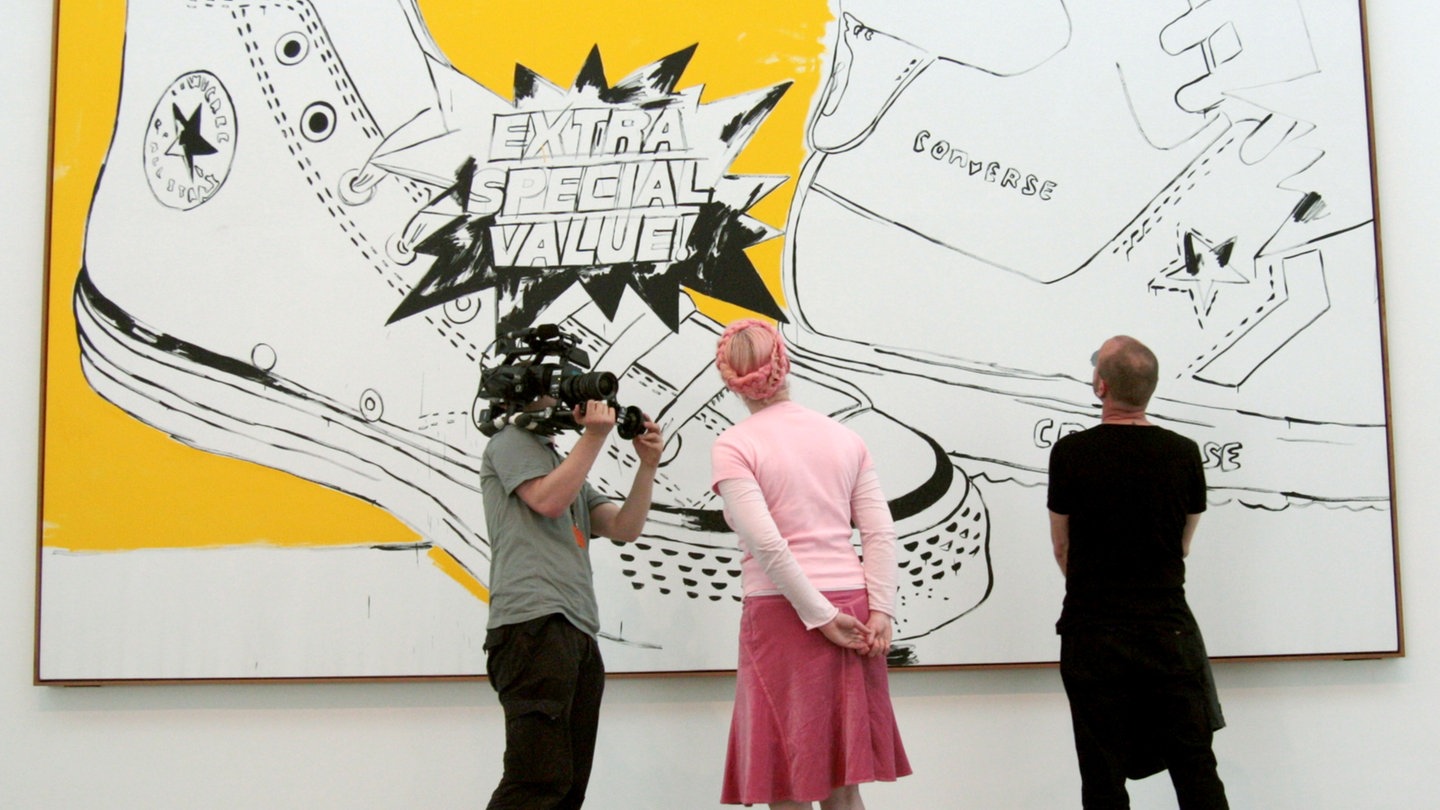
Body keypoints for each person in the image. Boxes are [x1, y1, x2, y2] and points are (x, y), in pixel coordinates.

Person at [710, 318, 911, 810]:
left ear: (730, 380)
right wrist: (880, 610)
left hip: (782, 613)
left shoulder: (734, 445)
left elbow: (766, 544)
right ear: (785, 363)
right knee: (845, 785)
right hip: (854, 609)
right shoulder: (844, 438)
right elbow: (879, 530)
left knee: (787, 782)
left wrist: (819, 615)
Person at [1047, 335, 1229, 809]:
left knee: (1102, 775)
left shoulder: (1070, 453)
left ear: (1101, 386)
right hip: (1166, 630)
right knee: (1195, 766)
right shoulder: (1183, 452)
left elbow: (1062, 548)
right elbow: (1182, 545)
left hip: (1093, 631)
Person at [480, 383, 663, 809]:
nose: (564, 393)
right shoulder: (509, 442)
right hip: (533, 624)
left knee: (567, 788)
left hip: (575, 630)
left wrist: (648, 467)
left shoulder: (560, 462)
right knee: (536, 782)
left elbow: (623, 527)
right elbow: (547, 501)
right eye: (554, 385)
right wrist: (595, 436)